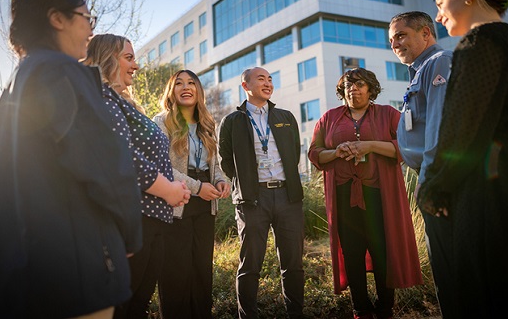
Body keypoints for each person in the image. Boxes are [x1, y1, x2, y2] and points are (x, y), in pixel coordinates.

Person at [0, 0, 143, 319]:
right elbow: (108, 167)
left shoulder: (13, 87)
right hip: (79, 270)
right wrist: (130, 236)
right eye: (86, 19)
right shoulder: (63, 73)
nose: (90, 30)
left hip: (29, 272)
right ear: (57, 18)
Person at [418, 0, 508, 318]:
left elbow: (464, 125)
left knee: (488, 290)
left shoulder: (480, 41)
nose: (439, 16)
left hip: (491, 184)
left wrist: (436, 185)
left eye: (441, 4)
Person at [84, 34, 190, 319]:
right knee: (123, 308)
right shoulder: (101, 99)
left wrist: (176, 186)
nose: (136, 65)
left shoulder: (125, 103)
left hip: (153, 219)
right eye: (129, 58)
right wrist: (168, 189)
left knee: (137, 307)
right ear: (108, 57)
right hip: (133, 218)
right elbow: (123, 156)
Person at [308, 68, 423, 319]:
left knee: (382, 250)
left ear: (371, 89)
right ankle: (360, 308)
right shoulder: (329, 118)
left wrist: (369, 145)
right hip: (343, 195)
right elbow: (315, 154)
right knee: (352, 252)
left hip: (379, 195)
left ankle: (385, 308)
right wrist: (337, 152)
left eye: (360, 84)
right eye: (349, 85)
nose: (354, 89)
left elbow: (406, 147)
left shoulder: (389, 114)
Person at [218, 67, 305, 319]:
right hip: (252, 200)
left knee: (293, 263)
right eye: (261, 79)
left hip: (288, 197)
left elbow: (294, 153)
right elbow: (226, 161)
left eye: (269, 79)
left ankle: (295, 314)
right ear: (245, 86)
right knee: (250, 264)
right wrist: (246, 181)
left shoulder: (285, 116)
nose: (267, 83)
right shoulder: (232, 121)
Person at [388, 11, 454, 318]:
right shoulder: (419, 71)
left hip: (440, 180)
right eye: (392, 40)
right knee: (444, 267)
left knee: (451, 267)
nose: (395, 44)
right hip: (431, 175)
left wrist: (430, 181)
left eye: (401, 35)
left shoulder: (438, 62)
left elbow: (441, 128)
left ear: (426, 33)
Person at [153, 69, 231, 319]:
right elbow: (162, 168)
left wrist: (221, 181)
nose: (186, 87)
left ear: (198, 90)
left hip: (205, 209)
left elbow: (214, 165)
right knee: (175, 274)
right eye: (179, 83)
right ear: (171, 91)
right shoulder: (161, 122)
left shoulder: (207, 124)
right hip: (177, 206)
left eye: (191, 83)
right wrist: (198, 188)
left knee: (201, 273)